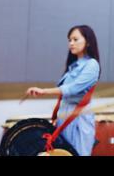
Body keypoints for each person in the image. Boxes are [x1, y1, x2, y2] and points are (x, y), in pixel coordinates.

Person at [26, 25, 101, 155]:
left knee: (78, 153)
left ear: (88, 41)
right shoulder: (72, 66)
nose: (71, 43)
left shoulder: (92, 64)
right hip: (64, 116)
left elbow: (72, 89)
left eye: (75, 39)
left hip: (78, 118)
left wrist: (44, 91)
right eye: (69, 40)